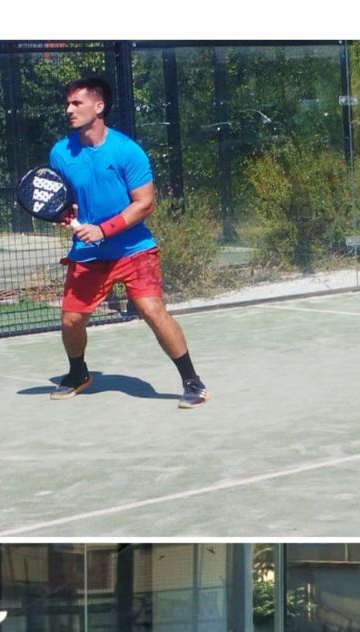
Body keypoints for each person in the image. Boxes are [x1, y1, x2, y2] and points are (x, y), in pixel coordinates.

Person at [45, 76, 209, 409]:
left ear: (99, 106)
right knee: (71, 320)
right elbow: (61, 198)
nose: (69, 110)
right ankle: (78, 373)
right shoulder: (61, 152)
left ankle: (192, 381)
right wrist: (67, 213)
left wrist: (104, 230)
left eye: (77, 103)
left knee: (152, 310)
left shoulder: (126, 151)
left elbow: (144, 202)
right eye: (68, 103)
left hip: (134, 250)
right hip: (88, 254)